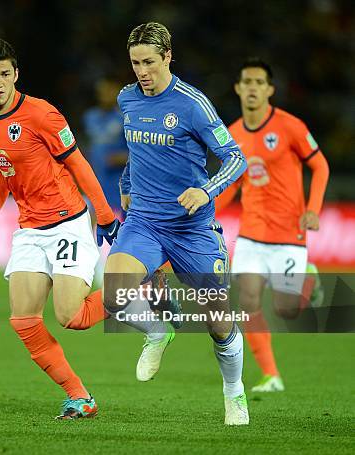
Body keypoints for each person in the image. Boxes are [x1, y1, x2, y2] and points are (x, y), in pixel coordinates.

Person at [0, 38, 121, 420]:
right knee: (23, 320)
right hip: (30, 229)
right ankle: (80, 397)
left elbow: (78, 164)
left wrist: (105, 215)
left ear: (16, 75)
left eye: (5, 74)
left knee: (71, 316)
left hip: (67, 223)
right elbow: (2, 171)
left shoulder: (42, 114)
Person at [103, 22, 249, 425]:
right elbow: (135, 150)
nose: (141, 71)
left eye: (149, 61)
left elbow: (236, 158)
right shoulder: (127, 98)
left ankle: (234, 393)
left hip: (191, 228)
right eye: (135, 63)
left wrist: (207, 191)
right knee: (114, 293)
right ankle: (157, 329)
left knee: (219, 323)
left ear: (168, 57)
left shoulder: (192, 104)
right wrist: (127, 185)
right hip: (145, 222)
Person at [214, 58, 329, 392]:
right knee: (248, 302)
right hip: (251, 232)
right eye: (246, 81)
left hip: (289, 233)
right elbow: (233, 184)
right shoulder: (232, 134)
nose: (252, 87)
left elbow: (320, 167)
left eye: (259, 82)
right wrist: (208, 210)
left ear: (270, 89)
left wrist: (314, 209)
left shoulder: (290, 126)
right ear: (238, 87)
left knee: (288, 311)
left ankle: (309, 278)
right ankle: (271, 375)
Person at [82, 77, 129, 220]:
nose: (105, 94)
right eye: (102, 91)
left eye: (109, 90)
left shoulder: (126, 117)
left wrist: (122, 158)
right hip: (97, 180)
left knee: (125, 225)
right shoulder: (90, 117)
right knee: (91, 223)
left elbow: (138, 153)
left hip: (121, 183)